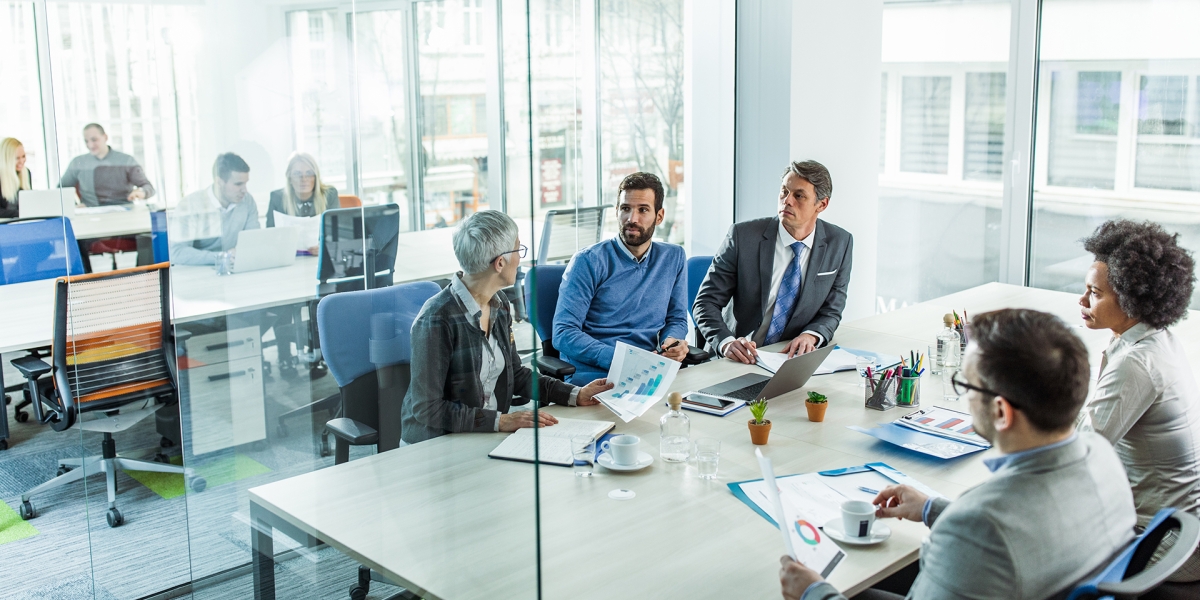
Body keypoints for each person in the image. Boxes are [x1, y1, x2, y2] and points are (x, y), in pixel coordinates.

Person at [781, 309, 1137, 600]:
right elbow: (1021, 531)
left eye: (965, 385)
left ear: (1001, 412)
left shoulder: (980, 526)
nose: (965, 397)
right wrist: (930, 508)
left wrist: (814, 593)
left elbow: (991, 532)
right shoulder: (1102, 455)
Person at [402, 210, 613, 444]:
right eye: (518, 250)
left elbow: (516, 374)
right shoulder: (437, 318)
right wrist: (501, 421)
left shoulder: (499, 304)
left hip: (485, 434)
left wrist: (575, 394)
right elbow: (427, 409)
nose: (520, 259)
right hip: (438, 443)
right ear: (500, 263)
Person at [1076, 219, 1200, 582]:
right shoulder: (1153, 340)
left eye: (1095, 293)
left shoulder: (1137, 363)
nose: (1082, 301)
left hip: (1157, 545)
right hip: (1176, 529)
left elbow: (1078, 454)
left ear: (1132, 298)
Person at [693, 160, 852, 364]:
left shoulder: (840, 242)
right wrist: (726, 343)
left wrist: (811, 335)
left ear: (822, 204)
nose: (787, 201)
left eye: (799, 195)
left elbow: (832, 310)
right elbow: (705, 302)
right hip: (737, 357)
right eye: (784, 191)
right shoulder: (743, 236)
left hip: (789, 359)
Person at [552, 172, 689, 384]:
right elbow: (563, 333)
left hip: (650, 371)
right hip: (596, 376)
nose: (632, 219)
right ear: (616, 211)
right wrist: (623, 360)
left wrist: (672, 341)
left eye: (643, 210)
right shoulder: (588, 261)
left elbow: (677, 318)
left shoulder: (673, 257)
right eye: (625, 208)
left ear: (659, 216)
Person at [168, 153, 260, 266]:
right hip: (199, 274)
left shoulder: (247, 201)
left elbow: (254, 242)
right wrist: (222, 257)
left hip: (235, 269)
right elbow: (177, 253)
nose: (244, 190)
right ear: (219, 182)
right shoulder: (190, 205)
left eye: (245, 183)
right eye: (238, 184)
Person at [58, 123, 155, 206]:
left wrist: (141, 192)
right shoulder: (78, 162)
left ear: (105, 137)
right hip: (90, 212)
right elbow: (61, 190)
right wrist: (74, 207)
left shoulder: (127, 160)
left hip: (123, 212)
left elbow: (148, 187)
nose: (90, 145)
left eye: (94, 140)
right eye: (86, 141)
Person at [265, 151, 339, 228]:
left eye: (309, 173)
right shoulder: (277, 198)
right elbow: (271, 233)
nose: (303, 179)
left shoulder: (329, 195)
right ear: (289, 178)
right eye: (297, 174)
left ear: (316, 177)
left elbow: (335, 231)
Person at [0, 137, 32, 218]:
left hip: (22, 221)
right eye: (17, 158)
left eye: (23, 156)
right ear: (7, 159)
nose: (22, 161)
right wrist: (20, 214)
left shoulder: (26, 173)